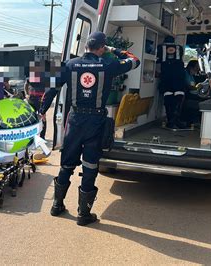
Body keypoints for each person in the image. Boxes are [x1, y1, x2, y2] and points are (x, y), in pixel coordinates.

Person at [40, 32, 140, 226]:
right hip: (96, 120)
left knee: (67, 163)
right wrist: (114, 49)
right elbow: (133, 60)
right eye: (104, 47)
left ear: (86, 46)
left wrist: (43, 110)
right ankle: (83, 214)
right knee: (90, 165)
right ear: (101, 47)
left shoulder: (69, 64)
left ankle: (56, 205)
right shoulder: (108, 64)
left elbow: (51, 87)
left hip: (75, 119)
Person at [157, 35, 186, 129]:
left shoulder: (160, 48)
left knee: (168, 96)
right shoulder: (179, 48)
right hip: (178, 76)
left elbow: (157, 60)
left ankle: (170, 121)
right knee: (179, 96)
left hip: (166, 75)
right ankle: (176, 120)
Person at [24, 63, 48, 139]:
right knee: (30, 118)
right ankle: (30, 136)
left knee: (43, 118)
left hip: (41, 101)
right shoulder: (31, 77)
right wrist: (26, 94)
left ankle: (42, 136)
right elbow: (26, 85)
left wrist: (46, 99)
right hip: (31, 100)